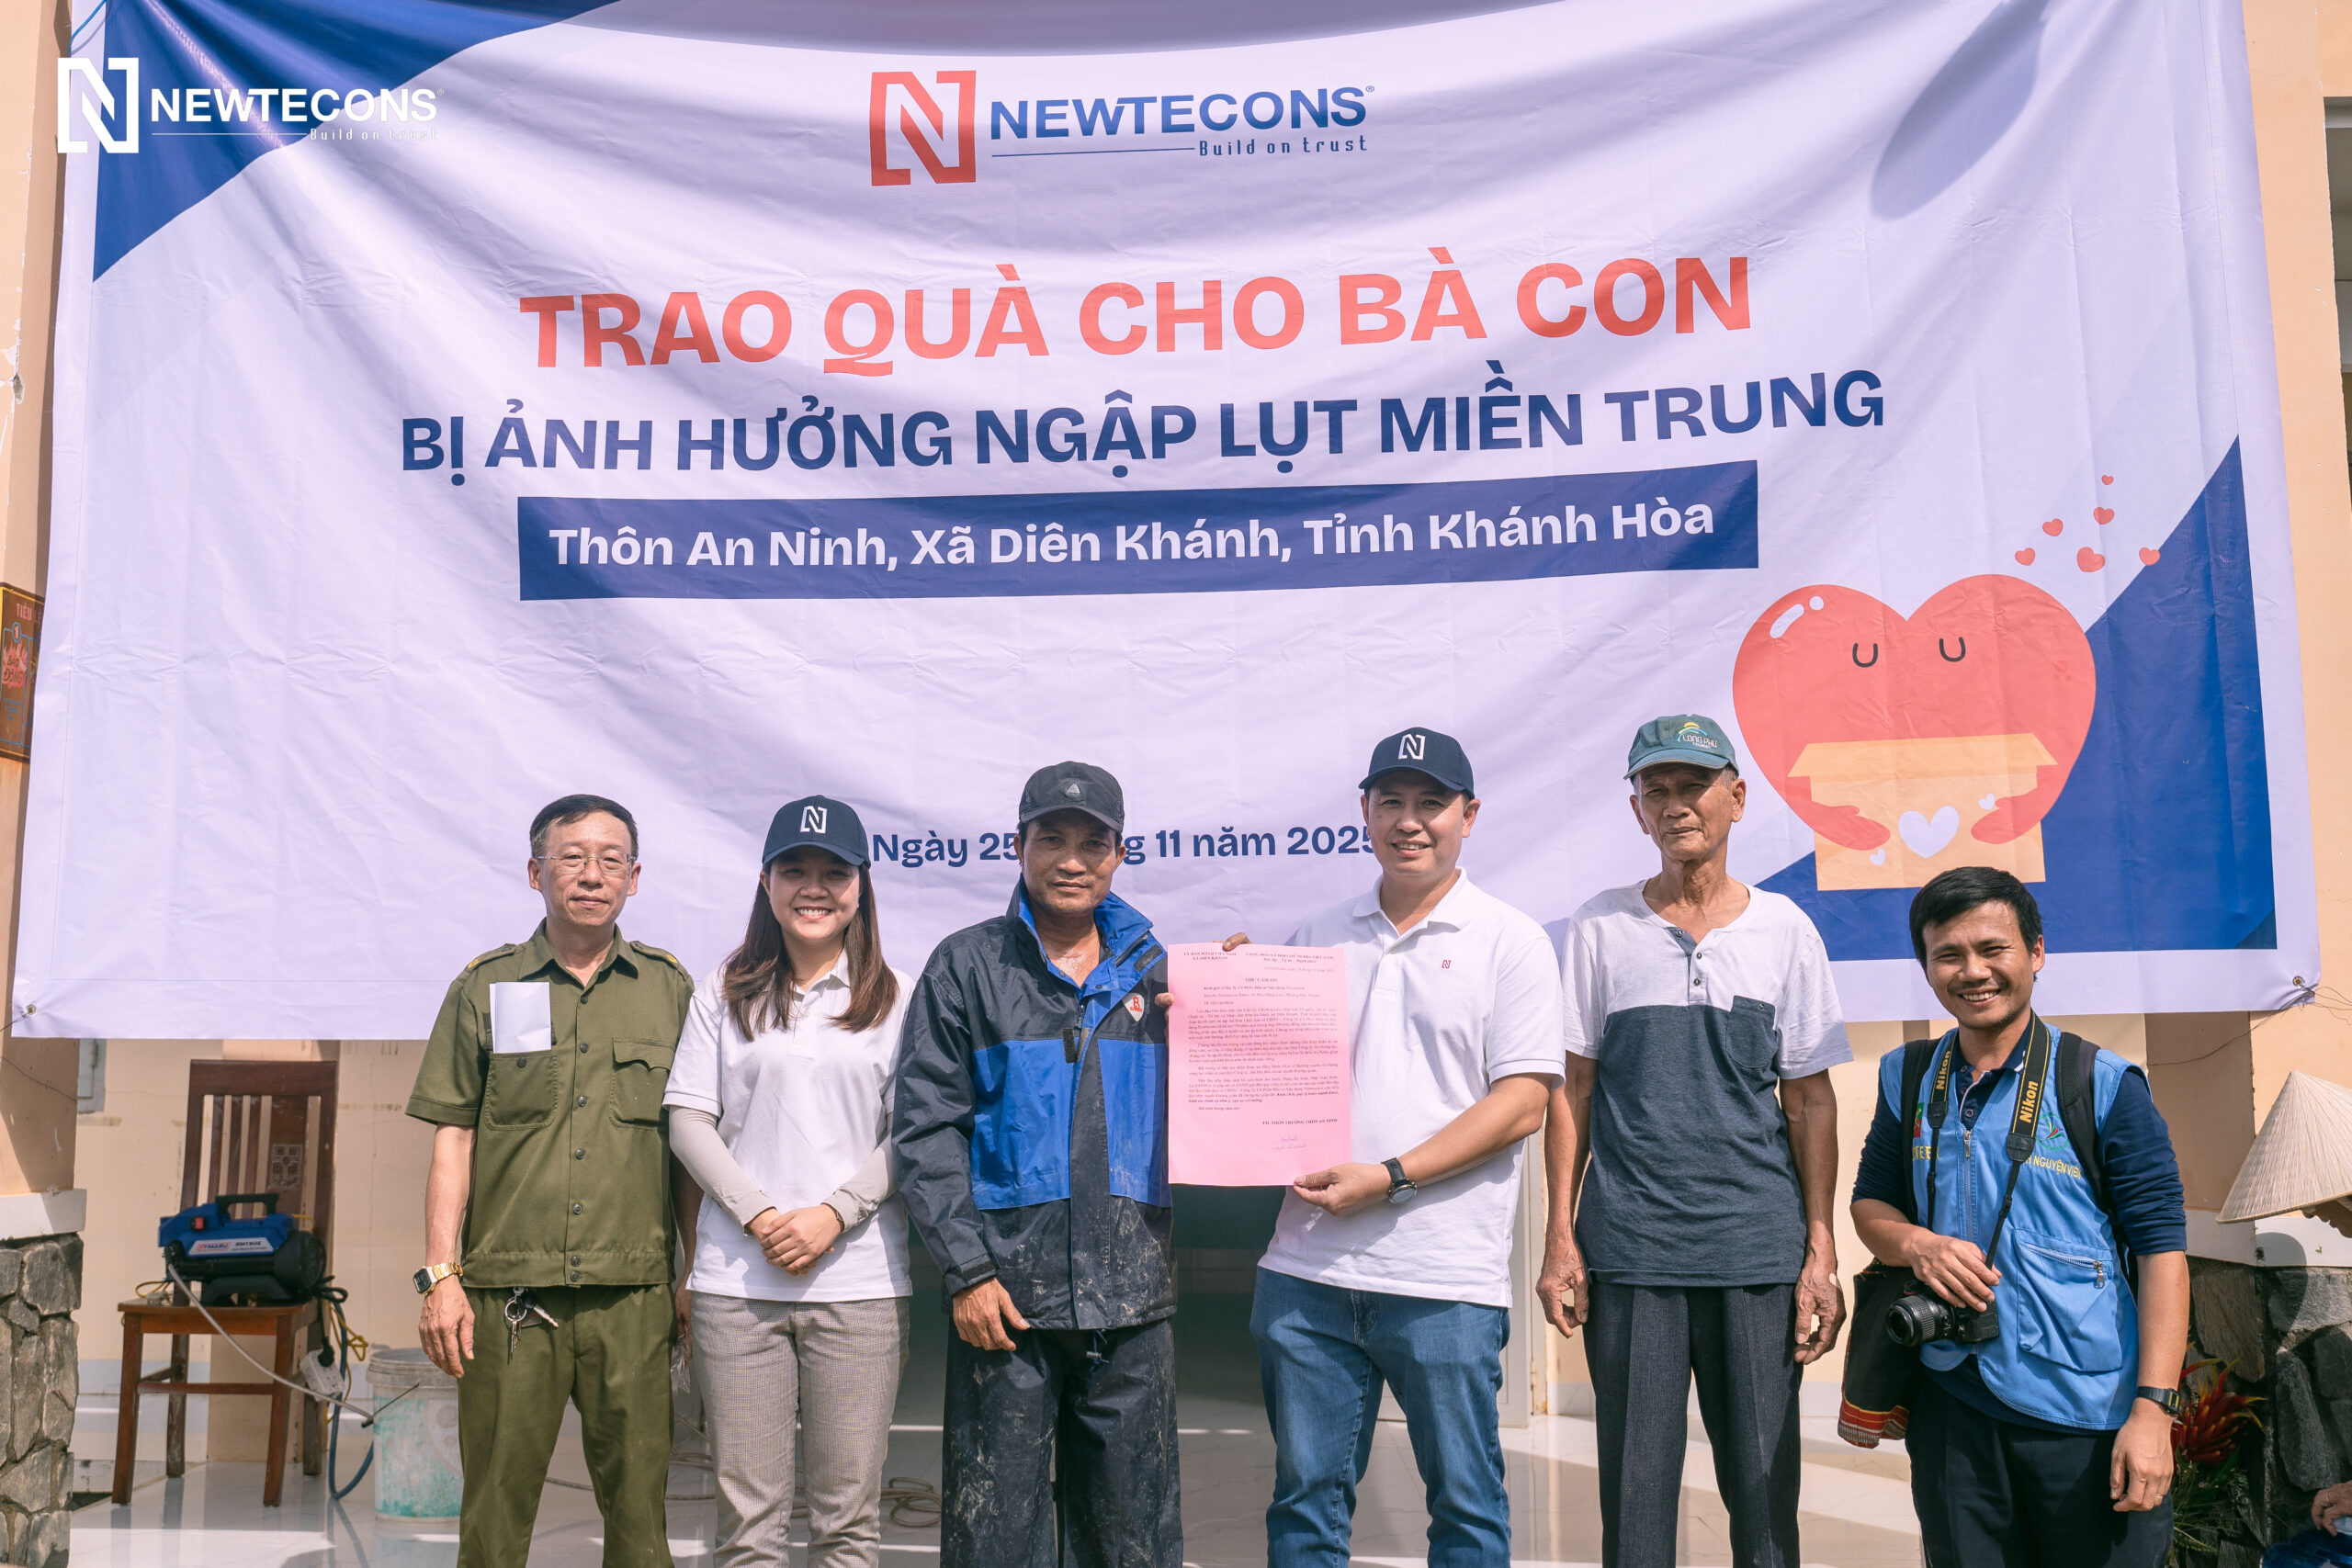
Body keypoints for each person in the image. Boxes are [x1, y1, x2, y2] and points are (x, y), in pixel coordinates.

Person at [1249, 727, 1566, 1567]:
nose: (1409, 821)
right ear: (1365, 811)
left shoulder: (1511, 940)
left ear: (1470, 814)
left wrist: (1388, 1177)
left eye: (1431, 803)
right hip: (1306, 1275)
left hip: (1442, 1282)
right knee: (1304, 1509)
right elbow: (1263, 1078)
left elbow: (1523, 1103)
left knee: (1466, 1510)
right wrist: (1218, 1001)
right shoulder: (1316, 937)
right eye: (1391, 801)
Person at [1540, 714, 1850, 1568]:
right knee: (1635, 1501)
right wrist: (1560, 1234)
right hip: (1633, 1250)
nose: (1676, 804)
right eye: (1658, 789)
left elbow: (1810, 1100)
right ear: (1637, 809)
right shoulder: (1600, 927)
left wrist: (1820, 1248)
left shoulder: (1785, 929)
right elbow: (1573, 1090)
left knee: (1764, 1500)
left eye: (1695, 786)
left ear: (1736, 798)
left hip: (1755, 1252)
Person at [1851, 866, 2189, 1567]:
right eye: (1948, 954)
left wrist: (2153, 1409)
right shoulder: (1907, 1076)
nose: (1972, 971)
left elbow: (2162, 1250)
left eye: (1992, 948)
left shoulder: (2100, 1084)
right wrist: (1915, 1244)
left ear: (2036, 951)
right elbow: (1870, 1203)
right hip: (1952, 1404)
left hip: (2088, 1413)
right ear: (1927, 967)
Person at [891, 761, 1181, 1568]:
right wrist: (968, 1272)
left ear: (1120, 853)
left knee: (1132, 1541)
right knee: (995, 1539)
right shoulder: (967, 966)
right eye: (1051, 838)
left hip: (1131, 1302)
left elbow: (1224, 1107)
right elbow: (926, 1129)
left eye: (1093, 842)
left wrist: (1233, 1002)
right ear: (1017, 846)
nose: (1072, 859)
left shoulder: (1161, 975)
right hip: (1006, 1304)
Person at [407, 794, 693, 1568]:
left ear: (634, 878)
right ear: (536, 872)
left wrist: (692, 1271)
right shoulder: (486, 986)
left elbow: (688, 1147)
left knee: (641, 1524)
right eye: (572, 857)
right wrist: (440, 1275)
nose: (592, 875)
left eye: (610, 860)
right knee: (493, 1522)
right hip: (508, 1297)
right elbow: (453, 1136)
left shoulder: (669, 990)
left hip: (632, 1296)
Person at [665, 795, 912, 1568]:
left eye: (834, 872)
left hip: (861, 1286)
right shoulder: (724, 989)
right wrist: (760, 1215)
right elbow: (688, 1119)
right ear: (765, 882)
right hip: (738, 1287)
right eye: (794, 869)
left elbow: (912, 1133)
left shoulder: (897, 997)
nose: (814, 888)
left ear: (861, 886)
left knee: (847, 1523)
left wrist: (834, 1214)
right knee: (749, 1527)